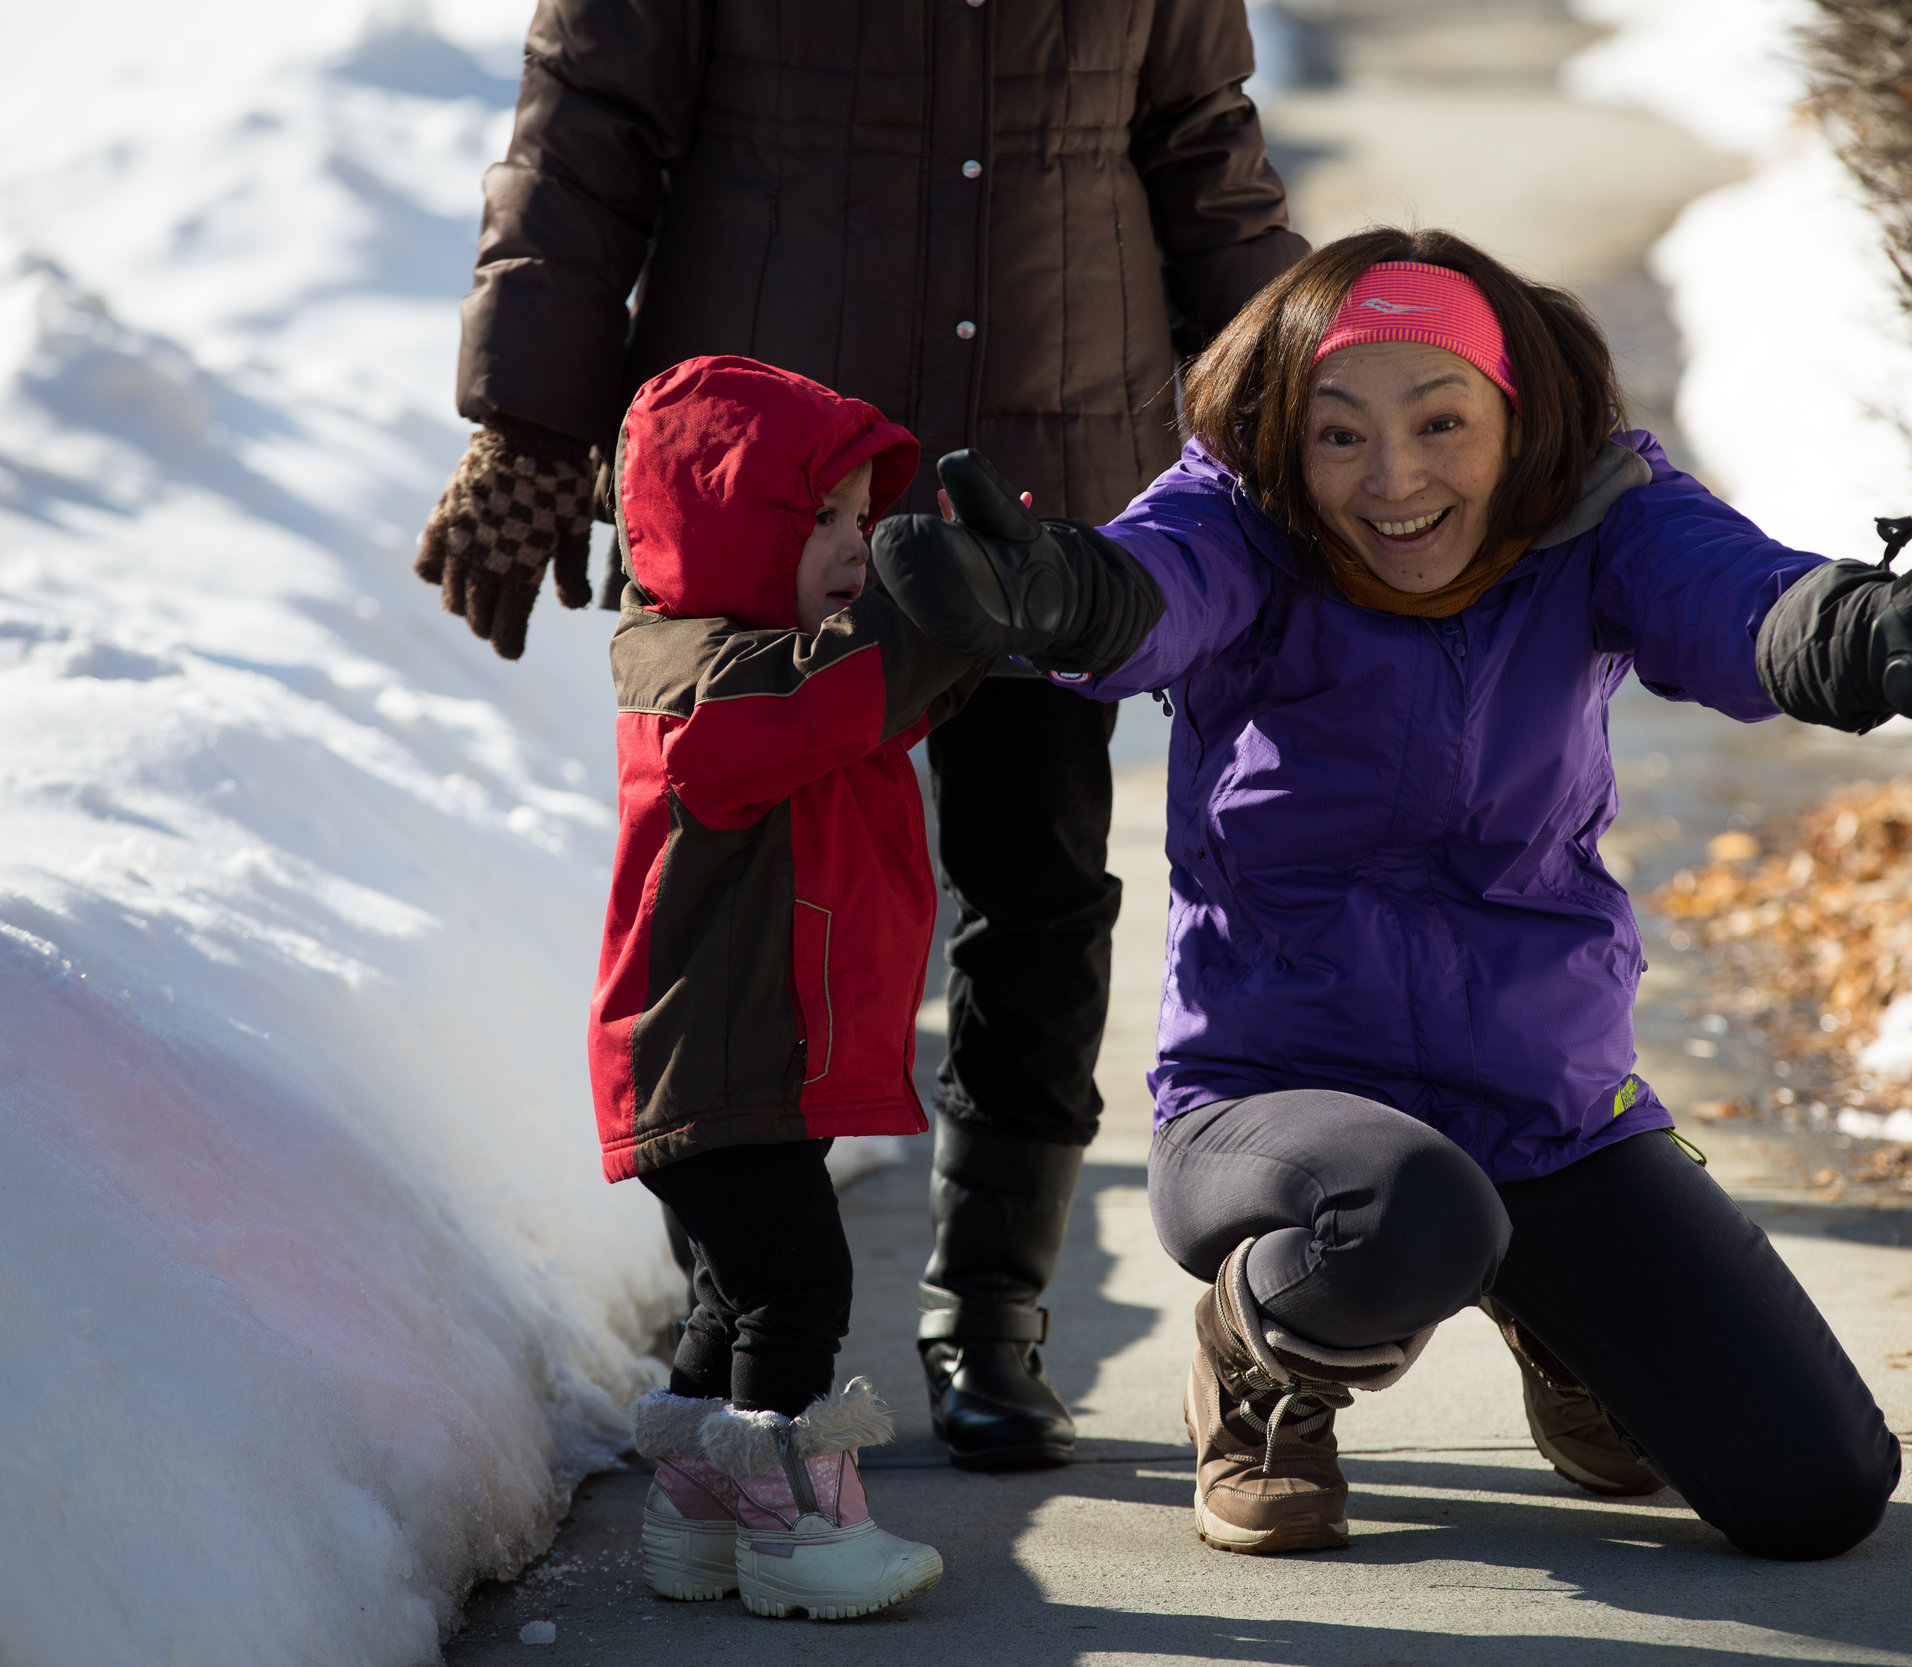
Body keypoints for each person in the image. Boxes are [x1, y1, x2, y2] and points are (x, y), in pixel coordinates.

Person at [870, 228, 1912, 1560]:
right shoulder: (1242, 519)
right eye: (1339, 435)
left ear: (1514, 420)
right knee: (1417, 1213)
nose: (1393, 479)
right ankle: (1260, 1365)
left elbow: (1735, 595)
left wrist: (1863, 633)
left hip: (1541, 1101)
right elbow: (1153, 587)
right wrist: (1064, 592)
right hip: (1275, 1098)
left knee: (1818, 1489)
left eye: (1440, 421)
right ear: (1291, 439)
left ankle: (1556, 1312)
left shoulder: (1597, 515)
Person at [415, 0, 1309, 1473]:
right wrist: (527, 419)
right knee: (752, 902)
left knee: (1038, 887)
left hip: (1048, 454)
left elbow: (1199, 148)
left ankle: (991, 1309)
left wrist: (1288, 422)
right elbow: (588, 122)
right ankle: (743, 1315)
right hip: (760, 492)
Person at [596, 355, 1024, 1620]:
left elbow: (887, 697)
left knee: (732, 1295)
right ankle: (799, 1534)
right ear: (733, 526)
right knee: (798, 1290)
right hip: (715, 1061)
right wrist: (930, 610)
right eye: (822, 520)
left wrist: (993, 599)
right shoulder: (699, 683)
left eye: (861, 518)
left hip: (746, 1058)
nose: (856, 545)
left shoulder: (777, 666)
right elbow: (843, 698)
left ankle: (699, 1515)